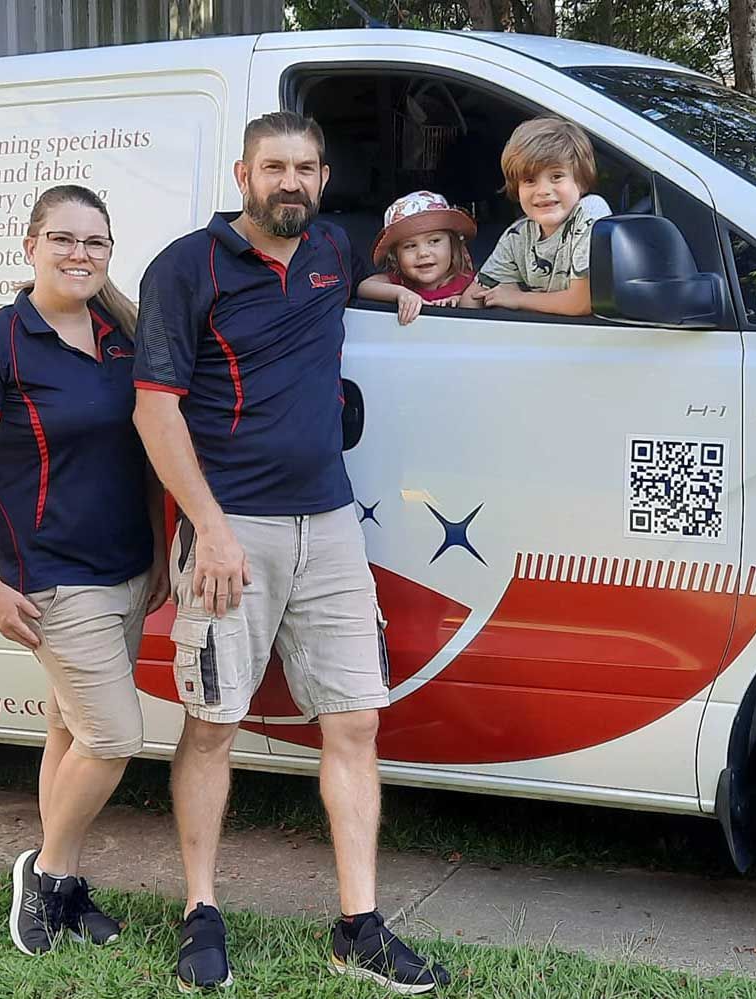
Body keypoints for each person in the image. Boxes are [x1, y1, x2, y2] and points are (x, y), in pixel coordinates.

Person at [132, 111, 450, 994]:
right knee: (213, 724)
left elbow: (374, 276)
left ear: (321, 177)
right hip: (230, 527)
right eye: (275, 167)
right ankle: (201, 910)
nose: (292, 183)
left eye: (307, 168)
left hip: (331, 524)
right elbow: (155, 412)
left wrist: (405, 293)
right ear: (243, 173)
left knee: (354, 721)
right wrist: (212, 527)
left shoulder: (332, 250)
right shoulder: (186, 268)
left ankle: (360, 923)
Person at [0, 184, 169, 956]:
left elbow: (145, 454)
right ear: (29, 243)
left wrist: (162, 552)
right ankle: (48, 868)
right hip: (51, 578)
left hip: (128, 564)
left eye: (95, 242)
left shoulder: (122, 335)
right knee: (113, 736)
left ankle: (63, 891)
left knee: (69, 725)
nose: (80, 254)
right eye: (63, 239)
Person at [460, 117, 611, 316]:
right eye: (530, 180)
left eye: (556, 176)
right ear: (517, 188)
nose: (543, 190)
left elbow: (581, 302)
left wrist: (517, 298)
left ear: (581, 181)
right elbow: (471, 300)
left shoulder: (590, 211)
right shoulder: (518, 235)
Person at [358, 190, 476, 324]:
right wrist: (400, 293)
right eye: (410, 246)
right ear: (396, 257)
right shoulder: (401, 282)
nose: (423, 253)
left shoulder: (470, 283)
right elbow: (364, 287)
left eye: (434, 241)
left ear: (452, 245)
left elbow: (486, 296)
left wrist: (464, 302)